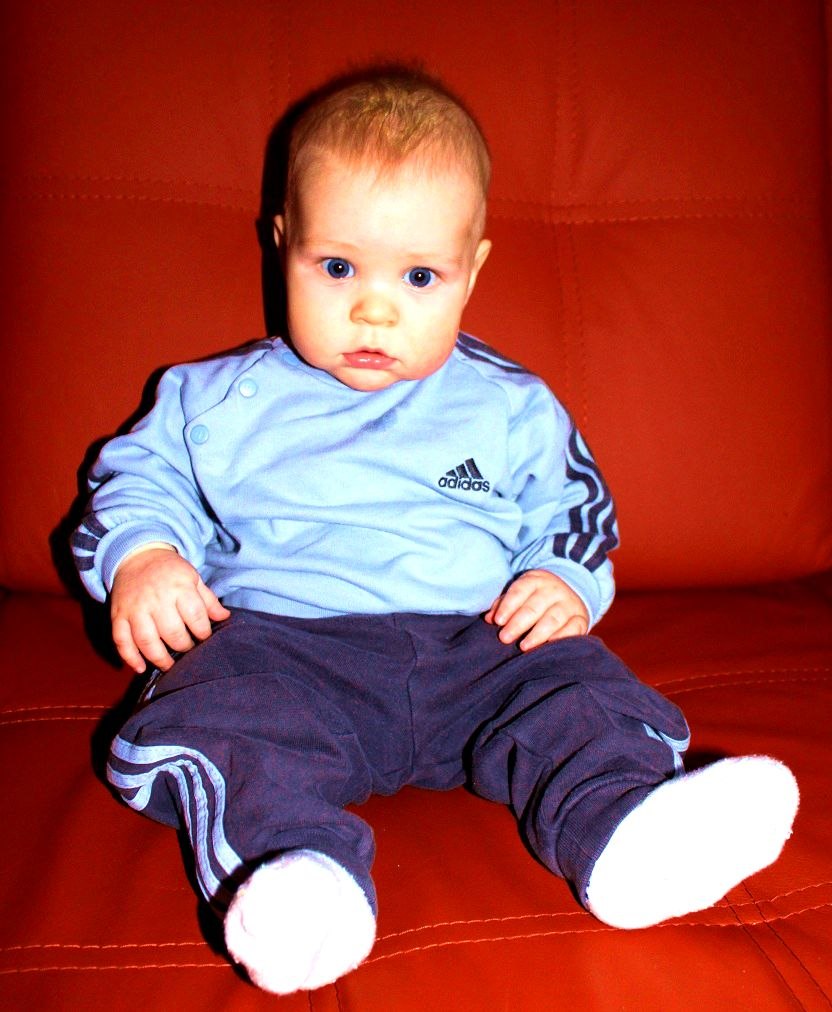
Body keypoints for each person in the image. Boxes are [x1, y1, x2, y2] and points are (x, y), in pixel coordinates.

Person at [72, 70, 799, 995]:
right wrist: (143, 556)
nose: (374, 311)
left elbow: (574, 511)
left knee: (578, 691)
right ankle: (299, 881)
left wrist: (564, 578)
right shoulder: (210, 398)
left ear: (472, 270)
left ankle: (623, 832)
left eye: (419, 277)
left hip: (479, 648)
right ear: (282, 244)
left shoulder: (510, 405)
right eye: (338, 268)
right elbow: (136, 480)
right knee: (222, 720)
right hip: (285, 649)